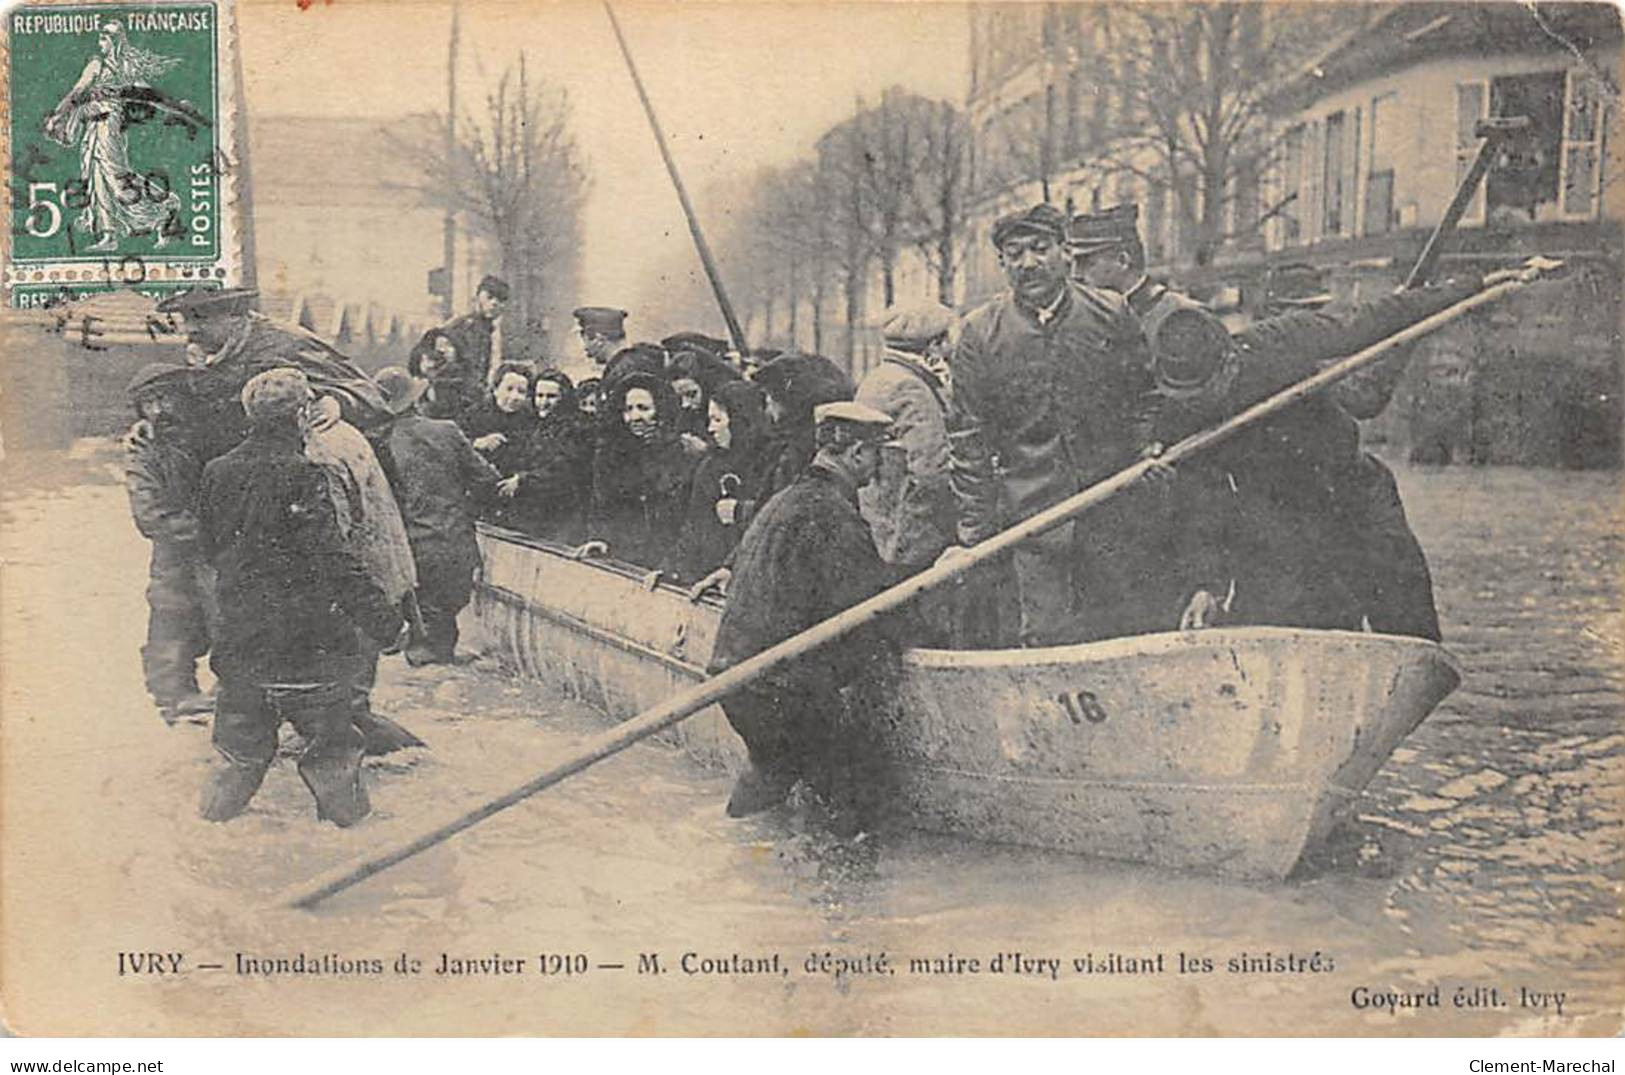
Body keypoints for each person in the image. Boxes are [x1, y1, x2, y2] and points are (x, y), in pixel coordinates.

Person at [1146, 259, 1555, 637]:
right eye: (1191, 395)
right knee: (1289, 630)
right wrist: (1205, 583)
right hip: (1272, 514)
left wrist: (1473, 286)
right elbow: (1200, 503)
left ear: (1230, 359)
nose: (1205, 399)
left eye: (1210, 386)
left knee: (1404, 618)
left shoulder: (1280, 339)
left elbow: (1376, 319)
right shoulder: (1181, 413)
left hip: (1350, 491)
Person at [938, 203, 1156, 647]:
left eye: (1040, 248)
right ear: (1001, 264)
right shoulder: (980, 335)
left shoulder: (1110, 313)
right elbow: (968, 439)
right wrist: (975, 535)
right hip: (1033, 525)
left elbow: (1144, 396)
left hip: (1113, 511)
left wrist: (1145, 449)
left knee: (1122, 635)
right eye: (1014, 254)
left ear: (1064, 252)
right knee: (1046, 641)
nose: (1028, 263)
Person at [196, 368, 403, 826]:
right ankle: (356, 852)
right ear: (304, 415)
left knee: (237, 759)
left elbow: (210, 551)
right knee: (333, 756)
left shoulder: (217, 471)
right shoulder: (308, 474)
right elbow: (334, 561)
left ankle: (204, 842)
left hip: (240, 646)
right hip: (306, 647)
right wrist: (387, 623)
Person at [708, 401, 904, 825]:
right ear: (855, 455)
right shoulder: (833, 514)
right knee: (858, 801)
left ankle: (740, 853)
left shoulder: (785, 500)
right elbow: (873, 606)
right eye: (875, 453)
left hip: (736, 680)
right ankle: (844, 882)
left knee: (772, 772)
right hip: (783, 690)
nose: (877, 464)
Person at [303, 387, 424, 755]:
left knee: (347, 691)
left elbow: (335, 536)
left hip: (358, 578)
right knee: (355, 681)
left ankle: (367, 753)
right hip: (379, 572)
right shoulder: (345, 433)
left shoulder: (323, 448)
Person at [150, 287, 391, 464]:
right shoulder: (203, 354)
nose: (190, 329)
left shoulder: (286, 343)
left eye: (201, 318)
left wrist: (337, 401)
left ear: (234, 316)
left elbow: (369, 391)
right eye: (186, 319)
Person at [374, 367, 502, 666]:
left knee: (424, 639)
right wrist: (461, 508)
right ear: (417, 399)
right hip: (456, 544)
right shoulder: (447, 430)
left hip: (411, 551)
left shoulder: (381, 442)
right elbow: (488, 478)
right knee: (442, 627)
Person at [123, 363, 215, 724]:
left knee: (228, 611)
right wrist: (197, 530)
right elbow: (147, 512)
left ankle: (235, 691)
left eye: (166, 398)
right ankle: (174, 697)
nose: (159, 409)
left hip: (218, 543)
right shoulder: (143, 448)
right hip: (175, 544)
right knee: (170, 611)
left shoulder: (209, 432)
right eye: (149, 402)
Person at [44, 20, 183, 252]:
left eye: (106, 35)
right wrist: (59, 115)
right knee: (97, 180)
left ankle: (165, 208)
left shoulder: (122, 69)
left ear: (116, 40)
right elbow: (77, 92)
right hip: (94, 130)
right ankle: (109, 236)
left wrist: (177, 108)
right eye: (101, 35)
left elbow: (148, 95)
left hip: (109, 130)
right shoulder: (96, 65)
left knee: (117, 180)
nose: (101, 38)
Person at [578, 372, 693, 572]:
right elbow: (601, 503)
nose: (635, 417)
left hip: (666, 560)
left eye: (644, 408)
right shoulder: (611, 453)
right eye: (628, 409)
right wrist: (600, 538)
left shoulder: (680, 452)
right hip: (624, 555)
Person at [665, 379, 772, 585]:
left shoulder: (770, 463)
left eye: (717, 420)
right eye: (709, 420)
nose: (710, 429)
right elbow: (694, 526)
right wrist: (671, 569)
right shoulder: (710, 466)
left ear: (741, 421)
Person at [502, 368, 593, 544]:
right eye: (539, 396)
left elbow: (564, 471)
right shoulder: (536, 425)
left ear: (564, 398)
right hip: (536, 513)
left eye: (551, 397)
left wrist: (523, 480)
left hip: (564, 517)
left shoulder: (577, 428)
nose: (543, 402)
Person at [461, 362, 538, 527]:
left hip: (516, 497)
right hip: (478, 498)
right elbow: (454, 448)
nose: (515, 396)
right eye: (509, 389)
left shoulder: (532, 420)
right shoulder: (474, 415)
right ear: (495, 389)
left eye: (521, 391)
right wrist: (477, 443)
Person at [666, 346, 741, 454]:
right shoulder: (686, 416)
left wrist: (706, 450)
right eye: (680, 397)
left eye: (691, 394)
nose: (685, 404)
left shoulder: (730, 414)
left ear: (706, 387)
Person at [444, 275, 510, 390]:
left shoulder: (491, 330)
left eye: (501, 300)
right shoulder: (462, 325)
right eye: (489, 297)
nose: (494, 303)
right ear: (478, 297)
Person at [408, 327, 482, 421]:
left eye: (447, 345)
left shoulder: (466, 379)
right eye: (437, 346)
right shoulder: (420, 383)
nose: (442, 350)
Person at [573, 306, 628, 376]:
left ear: (599, 339)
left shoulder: (622, 372)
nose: (585, 347)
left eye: (583, 337)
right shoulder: (622, 366)